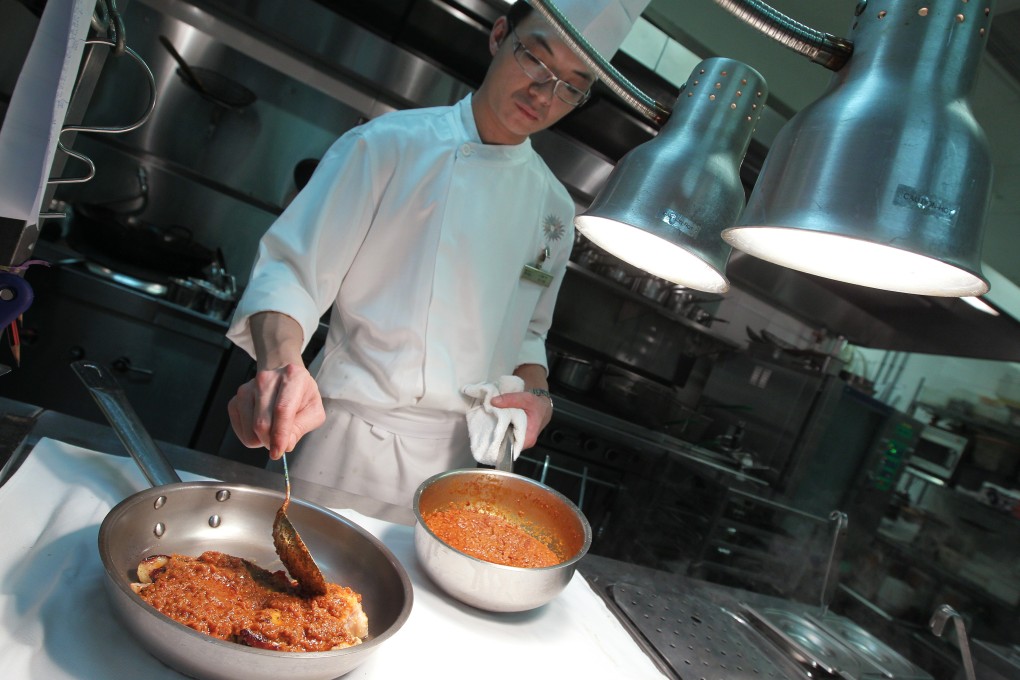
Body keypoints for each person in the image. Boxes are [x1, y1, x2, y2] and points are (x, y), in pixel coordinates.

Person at [225, 0, 649, 506]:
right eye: (536, 59)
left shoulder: (553, 207)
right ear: (498, 35)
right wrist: (281, 364)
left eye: (571, 86)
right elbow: (290, 274)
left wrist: (538, 400)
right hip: (346, 441)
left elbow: (528, 335)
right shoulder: (387, 145)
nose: (543, 93)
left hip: (457, 466)